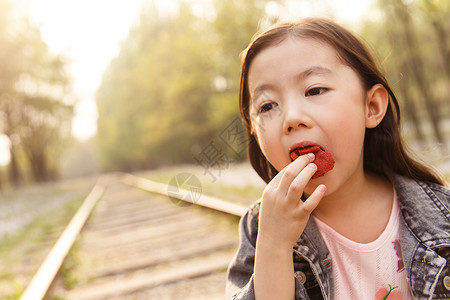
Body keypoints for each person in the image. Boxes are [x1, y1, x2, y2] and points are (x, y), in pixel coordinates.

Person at [226, 18, 450, 300]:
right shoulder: (260, 229)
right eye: (268, 105)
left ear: (371, 107)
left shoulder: (443, 213)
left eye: (314, 90)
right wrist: (273, 245)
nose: (292, 118)